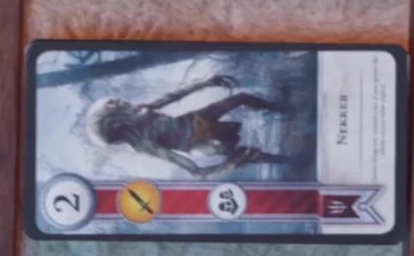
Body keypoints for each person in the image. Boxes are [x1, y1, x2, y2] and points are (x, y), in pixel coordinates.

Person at [84, 74, 306, 178]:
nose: (122, 102)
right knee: (247, 153)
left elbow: (171, 97)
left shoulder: (141, 112)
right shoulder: (142, 143)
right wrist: (229, 165)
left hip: (196, 121)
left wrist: (206, 83)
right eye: (116, 106)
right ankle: (292, 160)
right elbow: (194, 170)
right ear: (114, 123)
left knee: (241, 99)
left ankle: (285, 110)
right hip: (200, 140)